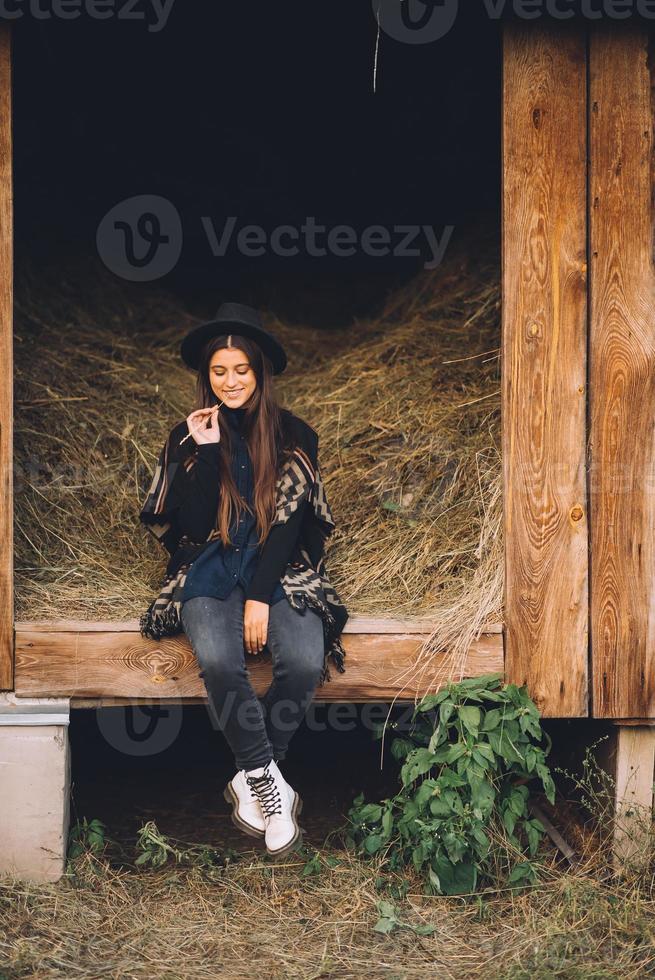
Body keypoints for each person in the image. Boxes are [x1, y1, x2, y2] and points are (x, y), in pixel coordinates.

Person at [138, 302, 348, 858]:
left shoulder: (295, 435)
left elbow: (289, 528)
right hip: (207, 566)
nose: (230, 382)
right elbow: (190, 526)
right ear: (206, 377)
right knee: (219, 661)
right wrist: (207, 456)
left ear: (260, 372)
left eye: (241, 370)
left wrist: (259, 598)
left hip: (278, 569)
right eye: (218, 371)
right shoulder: (185, 439)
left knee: (304, 660)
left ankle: (253, 775)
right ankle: (267, 782)